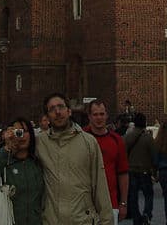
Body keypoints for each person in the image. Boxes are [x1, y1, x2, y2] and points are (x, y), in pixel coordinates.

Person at [35, 92, 112, 225]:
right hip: (51, 220)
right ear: (47, 116)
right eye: (52, 109)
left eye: (61, 107)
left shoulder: (88, 142)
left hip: (83, 220)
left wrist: (107, 220)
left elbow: (100, 185)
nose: (57, 112)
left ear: (69, 111)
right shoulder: (39, 143)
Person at [0, 118, 43, 225]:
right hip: (8, 220)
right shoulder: (4, 161)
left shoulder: (37, 163)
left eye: (24, 131)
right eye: (17, 132)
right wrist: (7, 148)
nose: (21, 135)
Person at [85, 100, 129, 222]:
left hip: (110, 203)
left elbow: (123, 173)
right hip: (85, 206)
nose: (99, 118)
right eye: (95, 114)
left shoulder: (117, 140)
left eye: (101, 114)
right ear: (89, 116)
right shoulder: (81, 138)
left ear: (106, 115)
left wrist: (123, 203)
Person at [124, 114, 156, 225]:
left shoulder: (128, 136)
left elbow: (123, 152)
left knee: (133, 196)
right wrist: (154, 169)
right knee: (148, 194)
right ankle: (147, 213)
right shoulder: (148, 137)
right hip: (145, 170)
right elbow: (154, 154)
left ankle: (136, 218)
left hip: (131, 170)